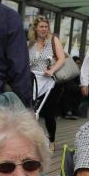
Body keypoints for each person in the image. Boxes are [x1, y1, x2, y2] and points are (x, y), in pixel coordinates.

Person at [27, 15, 67, 146]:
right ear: (35, 29)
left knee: (49, 112)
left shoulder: (53, 40)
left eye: (46, 27)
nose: (44, 29)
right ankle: (32, 140)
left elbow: (61, 58)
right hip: (33, 81)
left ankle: (52, 141)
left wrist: (52, 70)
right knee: (30, 111)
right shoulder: (29, 43)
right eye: (41, 27)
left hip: (49, 81)